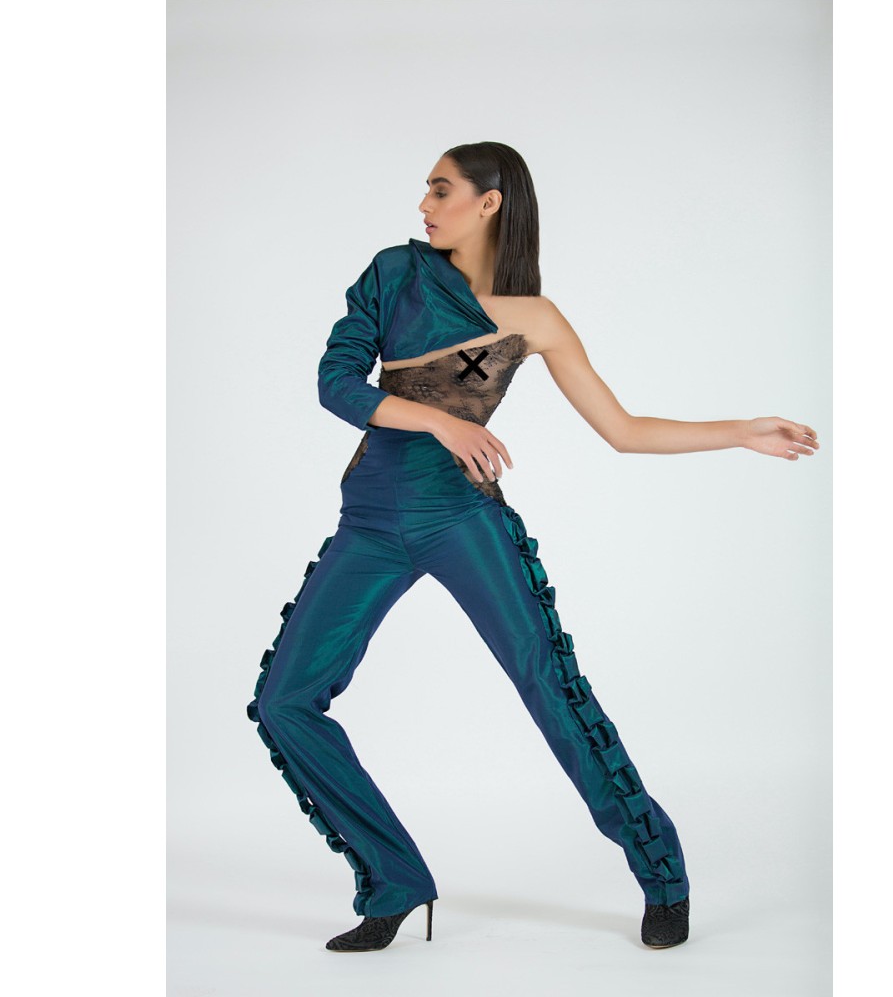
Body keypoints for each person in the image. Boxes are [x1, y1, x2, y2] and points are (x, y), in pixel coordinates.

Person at [246, 141, 820, 953]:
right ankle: (395, 881)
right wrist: (443, 420)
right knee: (283, 703)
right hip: (369, 523)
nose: (424, 205)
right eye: (426, 191)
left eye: (440, 190)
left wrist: (740, 431)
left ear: (489, 203)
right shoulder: (393, 273)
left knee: (551, 690)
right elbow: (336, 383)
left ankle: (663, 876)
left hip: (461, 520)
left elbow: (624, 430)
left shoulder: (535, 318)